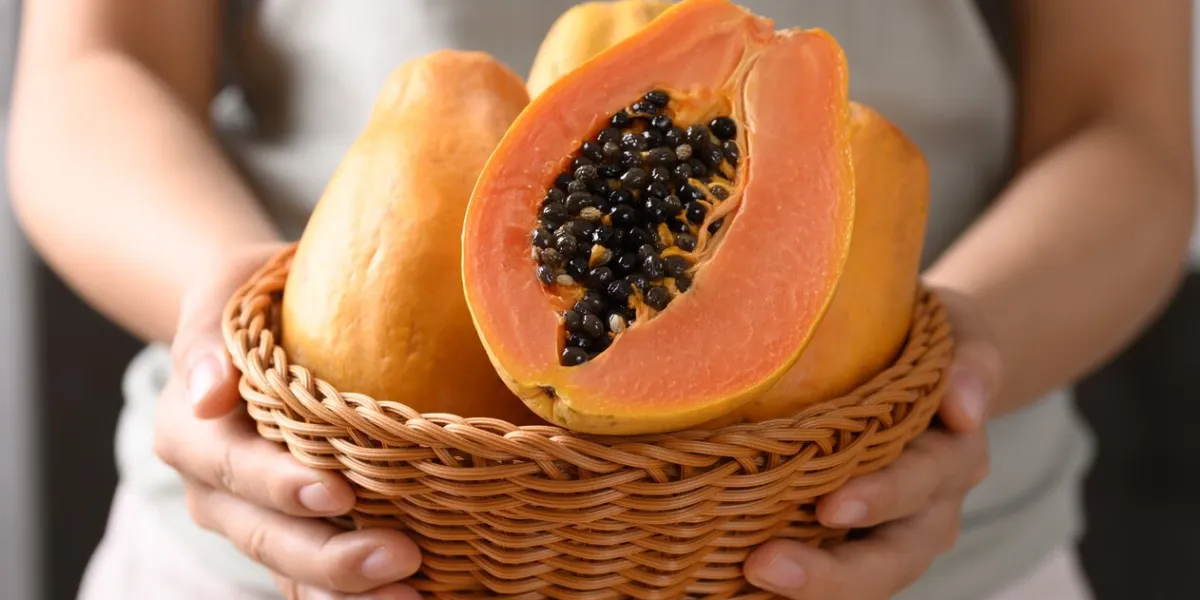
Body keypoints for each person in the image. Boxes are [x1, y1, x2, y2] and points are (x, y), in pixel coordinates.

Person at [7, 1, 1193, 599]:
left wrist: (954, 373)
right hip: (285, 531)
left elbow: (1133, 128)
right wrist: (223, 315)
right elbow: (91, 66)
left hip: (912, 541)